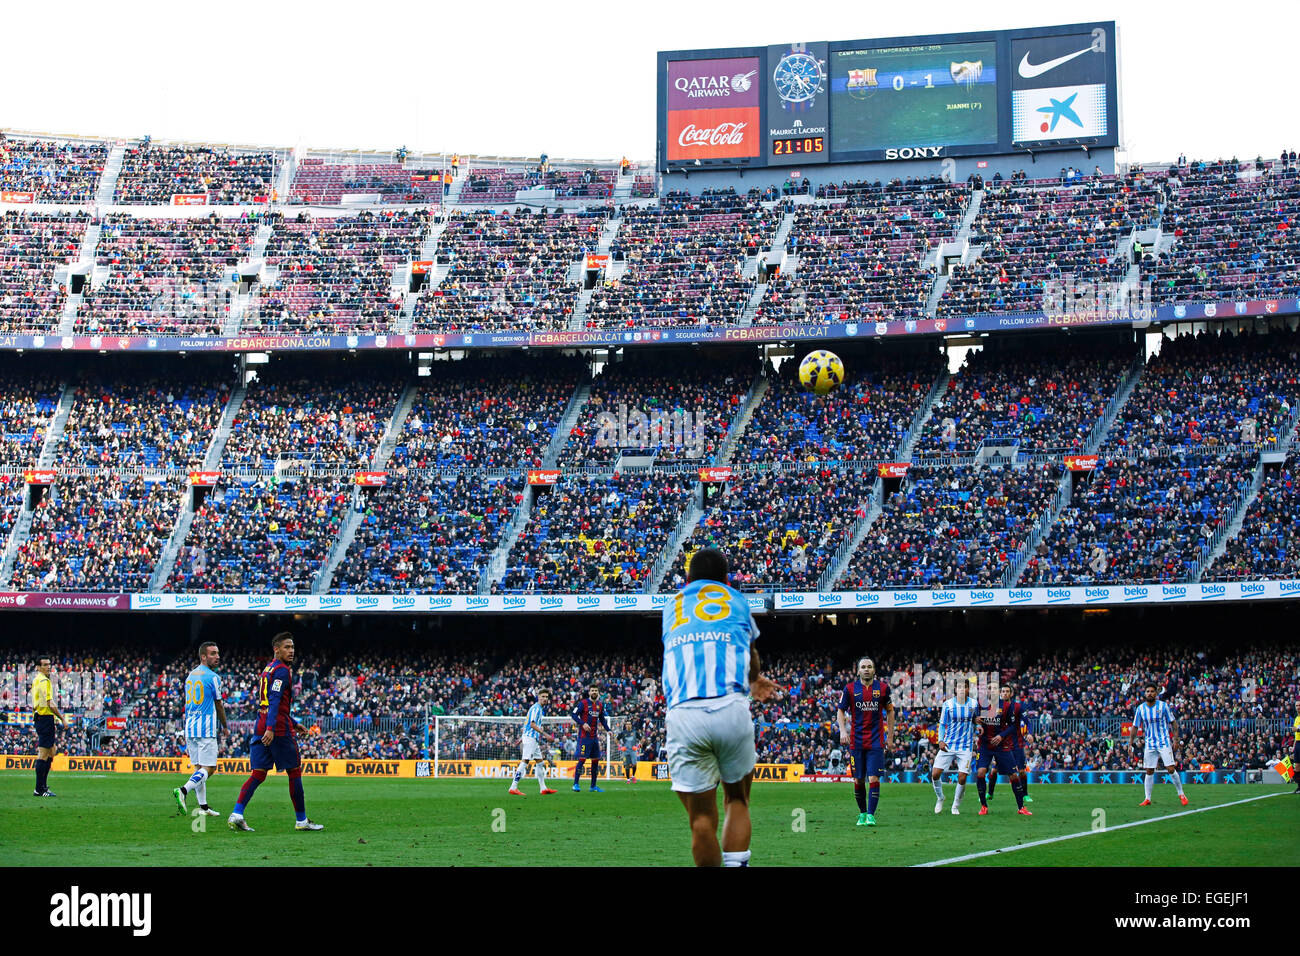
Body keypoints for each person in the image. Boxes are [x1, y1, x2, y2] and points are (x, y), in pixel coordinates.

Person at [662, 547, 774, 867]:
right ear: (726, 580)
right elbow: (749, 651)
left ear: (687, 579)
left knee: (700, 818)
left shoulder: (673, 606)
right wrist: (755, 679)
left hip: (685, 713)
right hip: (731, 707)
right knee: (737, 799)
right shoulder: (737, 600)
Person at [228, 632, 324, 832]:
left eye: (292, 647)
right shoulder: (281, 671)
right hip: (277, 728)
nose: (291, 651)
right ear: (276, 649)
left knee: (259, 773)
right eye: (287, 647)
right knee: (294, 771)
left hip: (261, 724)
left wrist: (293, 721)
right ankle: (301, 820)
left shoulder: (267, 669)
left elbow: (269, 702)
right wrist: (273, 728)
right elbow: (274, 699)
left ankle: (237, 813)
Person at [172, 641, 226, 817]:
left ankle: (203, 808)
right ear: (203, 656)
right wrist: (225, 725)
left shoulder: (190, 676)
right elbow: (219, 704)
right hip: (206, 729)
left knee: (198, 770)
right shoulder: (213, 678)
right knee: (209, 769)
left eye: (217, 653)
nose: (217, 656)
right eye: (212, 653)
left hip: (190, 727)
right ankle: (183, 790)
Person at [975, 690, 1031, 816]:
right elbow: (974, 719)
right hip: (985, 745)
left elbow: (1012, 726)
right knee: (981, 772)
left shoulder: (1005, 706)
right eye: (989, 688)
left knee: (1013, 775)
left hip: (1001, 745)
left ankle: (1021, 807)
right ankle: (984, 806)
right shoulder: (981, 705)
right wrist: (975, 721)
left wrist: (1001, 736)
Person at [1132, 682, 1187, 807]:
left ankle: (1181, 794)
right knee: (1149, 770)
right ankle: (1147, 798)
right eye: (1147, 691)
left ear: (1156, 693)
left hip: (1164, 742)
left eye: (1152, 691)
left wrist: (1176, 740)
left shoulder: (1163, 706)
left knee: (1170, 768)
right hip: (1150, 744)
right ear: (1144, 693)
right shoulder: (1140, 709)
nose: (1150, 693)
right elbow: (1135, 727)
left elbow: (1173, 723)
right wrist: (1130, 744)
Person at [931, 678, 978, 815]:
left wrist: (978, 724)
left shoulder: (974, 704)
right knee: (935, 774)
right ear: (956, 689)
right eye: (960, 687)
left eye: (965, 687)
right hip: (949, 744)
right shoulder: (948, 705)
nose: (962, 690)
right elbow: (942, 725)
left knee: (962, 777)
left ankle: (955, 806)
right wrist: (940, 740)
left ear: (969, 689)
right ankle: (940, 798)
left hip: (966, 746)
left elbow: (977, 719)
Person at [508, 689, 558, 795]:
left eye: (546, 697)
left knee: (540, 763)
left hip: (532, 738)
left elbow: (527, 724)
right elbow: (532, 724)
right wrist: (546, 735)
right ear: (538, 697)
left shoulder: (537, 708)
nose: (545, 699)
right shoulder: (536, 709)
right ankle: (513, 787)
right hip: (530, 738)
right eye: (543, 696)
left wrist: (522, 738)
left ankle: (543, 788)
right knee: (525, 761)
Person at [31, 656, 67, 797]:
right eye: (44, 665)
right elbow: (50, 703)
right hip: (45, 719)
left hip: (41, 718)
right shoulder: (44, 681)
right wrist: (62, 718)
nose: (48, 667)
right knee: (44, 753)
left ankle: (43, 786)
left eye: (49, 664)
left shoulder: (36, 680)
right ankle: (40, 789)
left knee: (52, 751)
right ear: (38, 667)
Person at [571, 685, 610, 792]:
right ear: (589, 692)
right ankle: (575, 784)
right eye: (592, 690)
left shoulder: (600, 705)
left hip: (594, 738)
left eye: (596, 691)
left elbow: (602, 719)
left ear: (598, 692)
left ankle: (593, 786)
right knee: (582, 760)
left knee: (596, 761)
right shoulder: (583, 703)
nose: (594, 692)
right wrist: (582, 723)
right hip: (584, 738)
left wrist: (609, 730)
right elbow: (573, 715)